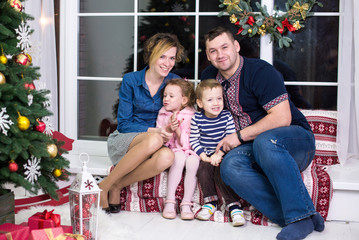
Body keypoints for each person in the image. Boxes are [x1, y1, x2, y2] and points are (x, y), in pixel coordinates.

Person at [202, 26, 325, 240]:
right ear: (207, 55)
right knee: (229, 166)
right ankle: (302, 217)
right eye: (213, 51)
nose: (220, 54)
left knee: (265, 142)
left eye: (225, 47)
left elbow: (282, 118)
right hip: (255, 146)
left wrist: (238, 137)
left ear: (236, 46)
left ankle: (299, 217)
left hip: (294, 140)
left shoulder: (260, 71)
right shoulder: (209, 77)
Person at [100, 33, 185, 213]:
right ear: (151, 54)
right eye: (162, 56)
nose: (167, 63)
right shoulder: (131, 80)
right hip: (125, 140)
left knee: (167, 157)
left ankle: (115, 186)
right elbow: (123, 124)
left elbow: (184, 112)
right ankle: (103, 187)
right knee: (155, 139)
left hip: (155, 145)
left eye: (171, 58)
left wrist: (173, 125)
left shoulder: (174, 82)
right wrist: (154, 130)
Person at [190, 79, 245, 227]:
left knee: (222, 170)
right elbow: (194, 140)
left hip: (224, 153)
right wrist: (204, 157)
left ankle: (234, 205)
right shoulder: (197, 118)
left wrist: (219, 154)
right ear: (200, 103)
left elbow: (229, 138)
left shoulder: (226, 116)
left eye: (219, 98)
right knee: (203, 169)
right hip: (206, 154)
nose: (216, 103)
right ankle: (211, 202)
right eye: (210, 100)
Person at [156, 78, 199, 220]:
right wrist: (168, 129)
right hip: (173, 151)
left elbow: (190, 143)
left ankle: (186, 203)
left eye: (171, 96)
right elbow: (160, 140)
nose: (166, 99)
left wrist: (178, 130)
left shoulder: (192, 116)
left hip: (189, 150)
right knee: (179, 158)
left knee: (193, 162)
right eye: (165, 95)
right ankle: (170, 201)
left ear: (184, 100)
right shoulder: (163, 114)